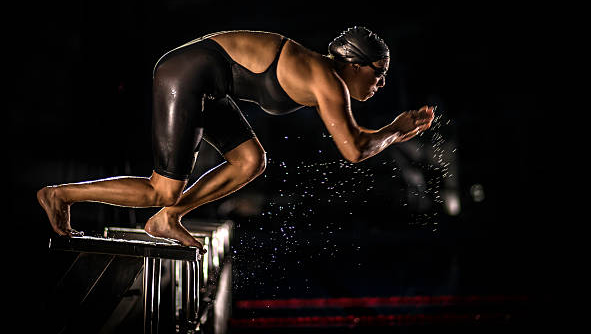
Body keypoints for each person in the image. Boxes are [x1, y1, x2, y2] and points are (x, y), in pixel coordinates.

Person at [37, 26, 435, 249]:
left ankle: (167, 221)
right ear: (353, 64)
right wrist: (396, 129)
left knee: (251, 161)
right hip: (185, 74)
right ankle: (59, 195)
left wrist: (392, 132)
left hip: (210, 84)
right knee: (163, 189)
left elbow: (360, 141)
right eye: (378, 72)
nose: (381, 82)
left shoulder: (325, 80)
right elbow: (354, 150)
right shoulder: (326, 80)